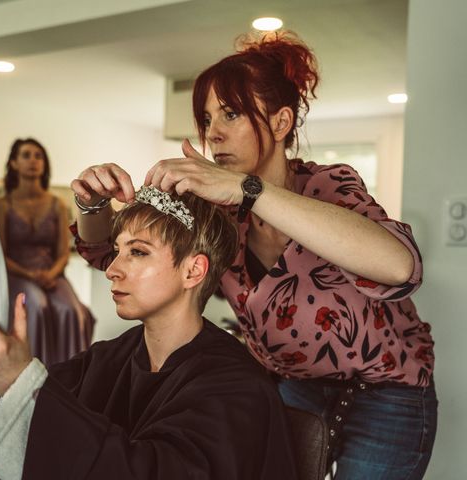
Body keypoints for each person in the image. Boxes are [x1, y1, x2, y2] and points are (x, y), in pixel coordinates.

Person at [70, 31, 437, 480]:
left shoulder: (327, 188)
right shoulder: (222, 211)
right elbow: (106, 252)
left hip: (385, 395)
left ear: (281, 123)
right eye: (206, 119)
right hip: (289, 388)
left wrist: (249, 190)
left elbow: (401, 267)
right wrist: (93, 203)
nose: (213, 134)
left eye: (231, 114)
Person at [0, 187, 297, 479]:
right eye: (117, 250)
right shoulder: (107, 359)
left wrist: (20, 383)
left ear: (194, 270)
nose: (112, 268)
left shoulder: (237, 388)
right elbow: (22, 426)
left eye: (137, 252)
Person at [0, 138, 93, 364]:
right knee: (36, 305)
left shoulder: (57, 204)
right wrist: (30, 276)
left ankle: (70, 378)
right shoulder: (2, 205)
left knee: (72, 311)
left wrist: (51, 273)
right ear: (14, 163)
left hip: (52, 275)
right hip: (16, 274)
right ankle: (30, 377)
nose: (33, 161)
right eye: (26, 155)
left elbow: (63, 251)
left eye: (38, 156)